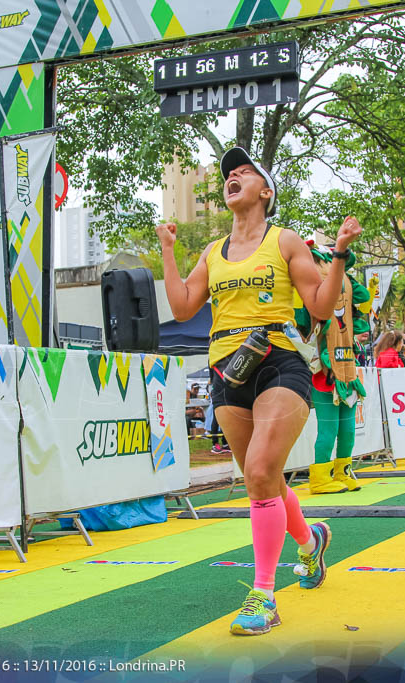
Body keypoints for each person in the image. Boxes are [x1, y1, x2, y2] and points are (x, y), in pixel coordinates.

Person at [158, 147, 362, 635]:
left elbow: (319, 304)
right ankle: (310, 543)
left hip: (279, 362)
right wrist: (167, 250)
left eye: (245, 173)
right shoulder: (211, 252)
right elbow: (184, 306)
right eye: (229, 174)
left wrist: (338, 255)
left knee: (261, 470)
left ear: (265, 192)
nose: (233, 177)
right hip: (226, 369)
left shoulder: (285, 240)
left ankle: (264, 596)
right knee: (263, 481)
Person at [293, 242, 371, 495]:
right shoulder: (309, 289)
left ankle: (343, 472)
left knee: (347, 430)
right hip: (323, 371)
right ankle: (320, 478)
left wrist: (342, 268)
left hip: (347, 367)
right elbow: (302, 322)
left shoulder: (345, 284)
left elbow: (363, 297)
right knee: (328, 429)